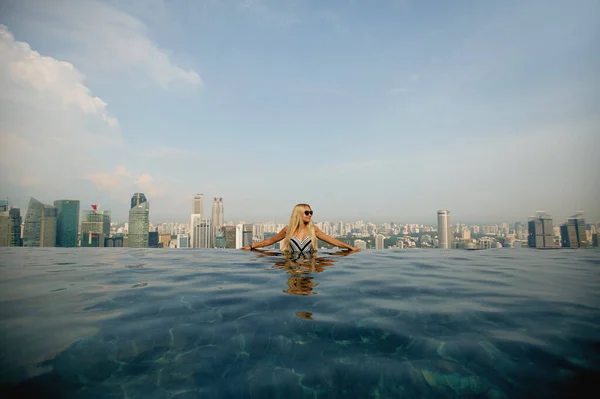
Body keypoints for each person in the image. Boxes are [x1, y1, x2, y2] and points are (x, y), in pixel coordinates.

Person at [241, 203, 360, 253]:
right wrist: (251, 247)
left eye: (311, 212)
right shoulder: (288, 230)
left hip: (310, 264)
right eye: (307, 212)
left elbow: (332, 240)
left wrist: (349, 247)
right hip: (291, 264)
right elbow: (270, 241)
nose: (310, 215)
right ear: (298, 214)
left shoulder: (313, 229)